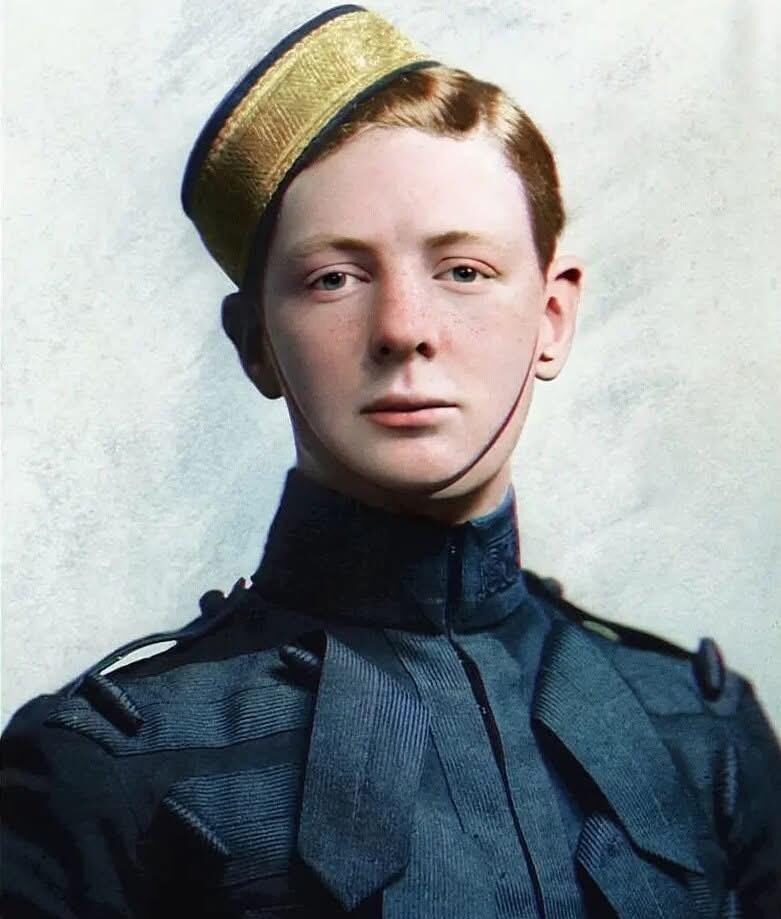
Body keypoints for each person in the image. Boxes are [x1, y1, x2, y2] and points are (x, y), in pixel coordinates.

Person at [2, 5, 779, 917]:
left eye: (463, 271)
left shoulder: (701, 732)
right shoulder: (101, 766)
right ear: (256, 344)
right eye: (334, 277)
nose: (404, 329)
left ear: (552, 317)